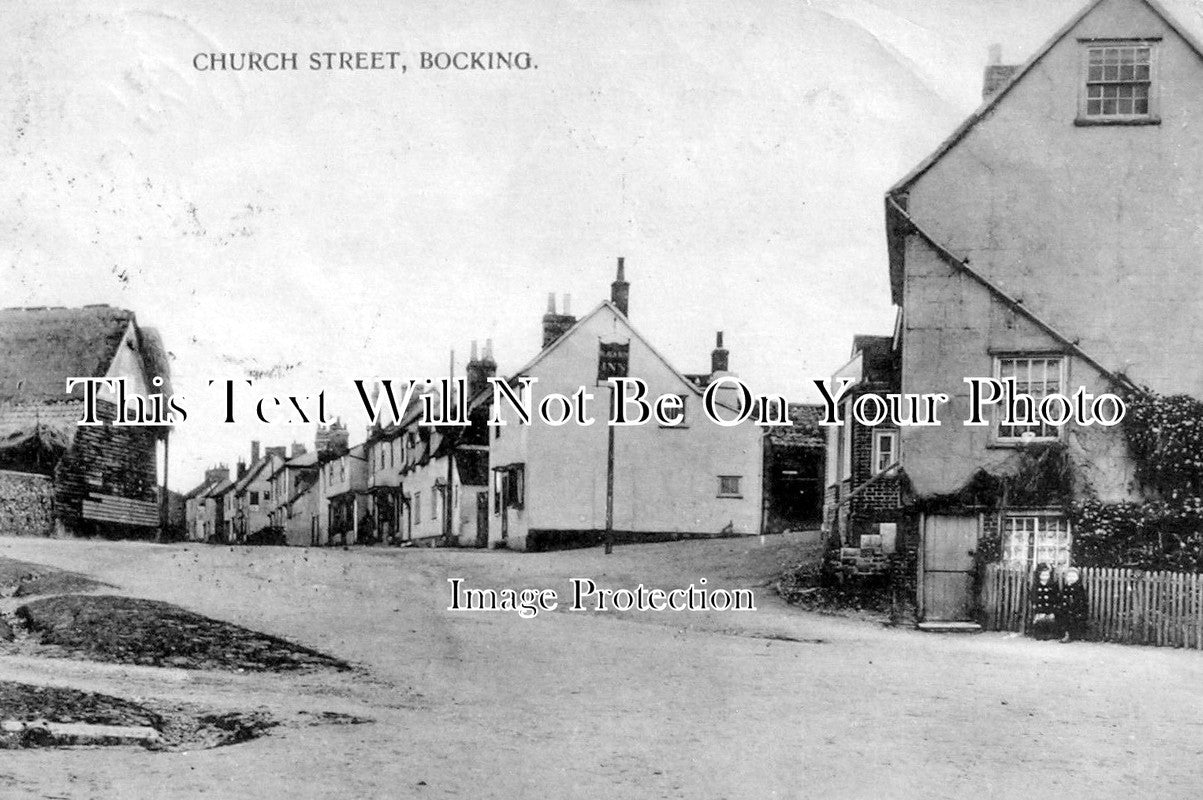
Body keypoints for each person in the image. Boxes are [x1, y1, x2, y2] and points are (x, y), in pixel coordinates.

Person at [1058, 566, 1089, 642]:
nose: (1071, 578)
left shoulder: (1079, 588)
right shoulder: (1065, 587)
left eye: (1073, 576)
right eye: (1069, 576)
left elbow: (1082, 600)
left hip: (1077, 610)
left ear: (1078, 578)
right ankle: (1066, 634)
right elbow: (1062, 598)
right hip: (1066, 609)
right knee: (1063, 618)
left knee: (1073, 619)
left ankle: (1075, 635)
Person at [1029, 563, 1059, 640]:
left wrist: (1054, 606)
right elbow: (1033, 595)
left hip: (1050, 607)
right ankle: (1039, 634)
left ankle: (1048, 634)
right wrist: (1035, 603)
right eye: (1043, 575)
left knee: (1050, 620)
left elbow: (1055, 596)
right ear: (1039, 575)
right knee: (1040, 620)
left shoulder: (1053, 585)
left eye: (1047, 575)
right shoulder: (1036, 585)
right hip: (1040, 606)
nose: (1045, 577)